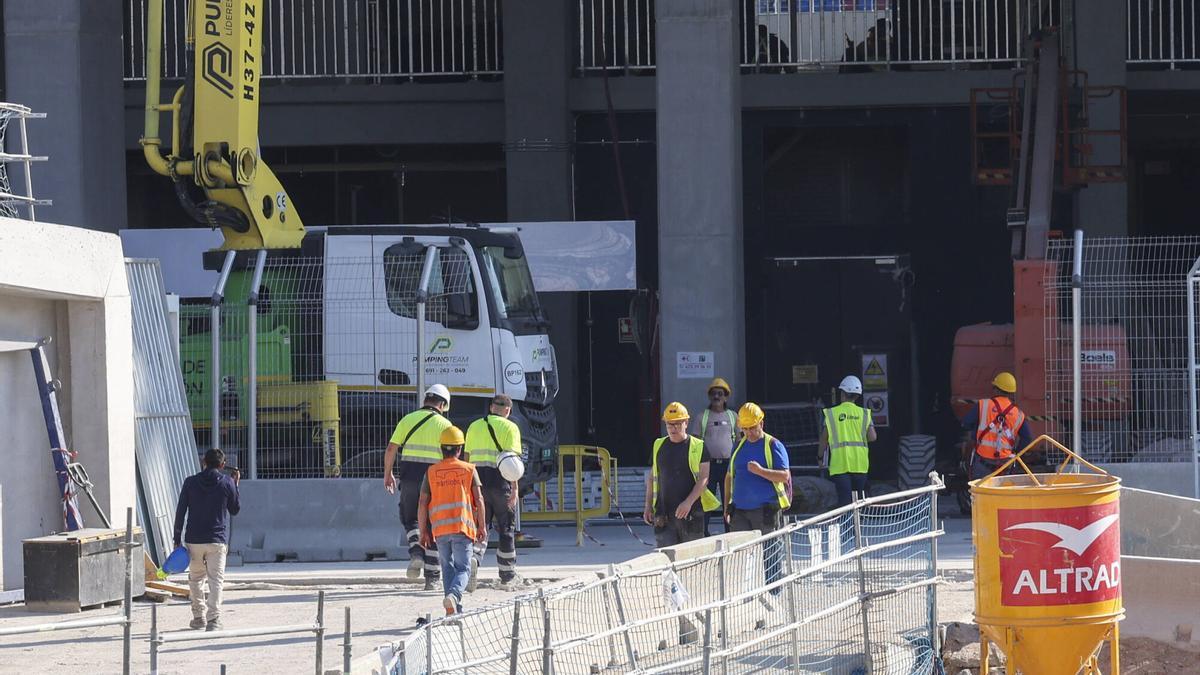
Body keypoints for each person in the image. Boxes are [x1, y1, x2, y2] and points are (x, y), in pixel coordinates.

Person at [384, 384, 453, 590]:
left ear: (425, 400)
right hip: (435, 481)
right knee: (433, 524)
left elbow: (391, 448)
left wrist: (388, 474)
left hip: (410, 477)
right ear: (442, 404)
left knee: (409, 517)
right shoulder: (446, 425)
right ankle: (432, 578)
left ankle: (416, 552)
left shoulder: (407, 419)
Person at [418, 426, 487, 616]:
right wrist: (482, 525)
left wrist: (423, 530)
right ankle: (455, 596)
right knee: (463, 569)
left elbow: (423, 502)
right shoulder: (469, 469)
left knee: (447, 568)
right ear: (460, 449)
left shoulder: (431, 472)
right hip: (461, 528)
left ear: (441, 448)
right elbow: (479, 499)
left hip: (440, 530)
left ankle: (452, 610)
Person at [725, 402, 791, 597]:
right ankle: (745, 595)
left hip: (766, 510)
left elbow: (784, 476)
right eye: (744, 429)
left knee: (771, 553)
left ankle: (774, 594)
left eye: (752, 428)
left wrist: (761, 472)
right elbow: (730, 476)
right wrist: (728, 504)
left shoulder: (773, 445)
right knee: (741, 555)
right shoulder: (738, 446)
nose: (749, 433)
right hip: (740, 511)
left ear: (761, 423)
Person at [173, 448, 240, 631]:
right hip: (216, 540)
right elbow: (235, 509)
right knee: (216, 579)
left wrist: (177, 537)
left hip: (194, 539)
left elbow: (181, 510)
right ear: (222, 464)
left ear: (204, 462)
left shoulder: (190, 482)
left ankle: (198, 616)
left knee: (195, 579)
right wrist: (235, 484)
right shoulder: (227, 482)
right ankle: (213, 619)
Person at [642, 402, 722, 547]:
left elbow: (704, 479)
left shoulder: (698, 446)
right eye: (669, 424)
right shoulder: (658, 445)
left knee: (692, 561)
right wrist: (648, 506)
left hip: (691, 514)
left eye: (678, 424)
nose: (673, 428)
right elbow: (652, 478)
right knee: (666, 561)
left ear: (686, 422)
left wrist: (688, 502)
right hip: (664, 515)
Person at [464, 394, 521, 587]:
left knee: (480, 526)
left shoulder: (474, 426)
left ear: (491, 408)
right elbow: (512, 463)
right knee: (506, 528)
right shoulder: (510, 427)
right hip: (500, 482)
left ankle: (475, 558)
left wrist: (468, 487)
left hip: (477, 482)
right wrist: (514, 489)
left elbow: (466, 458)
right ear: (508, 410)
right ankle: (507, 576)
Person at [818, 375, 878, 507]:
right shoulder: (864, 413)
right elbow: (873, 437)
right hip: (860, 465)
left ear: (843, 393)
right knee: (858, 502)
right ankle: (858, 526)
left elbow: (824, 440)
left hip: (840, 465)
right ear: (857, 396)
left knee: (845, 503)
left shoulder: (832, 413)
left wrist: (820, 458)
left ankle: (848, 527)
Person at [961, 372, 1031, 481]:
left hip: (983, 462)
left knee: (980, 495)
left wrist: (976, 435)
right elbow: (1027, 438)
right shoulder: (1019, 414)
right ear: (1012, 393)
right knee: (1003, 496)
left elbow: (965, 423)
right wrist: (1015, 453)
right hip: (1005, 464)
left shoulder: (983, 405)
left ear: (996, 389)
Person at [698, 377, 738, 534]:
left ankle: (729, 531)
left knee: (728, 499)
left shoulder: (733, 416)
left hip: (728, 465)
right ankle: (703, 531)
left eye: (720, 394)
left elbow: (740, 441)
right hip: (709, 465)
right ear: (709, 396)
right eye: (714, 394)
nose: (717, 397)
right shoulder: (703, 417)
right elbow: (695, 442)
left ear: (726, 397)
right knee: (706, 499)